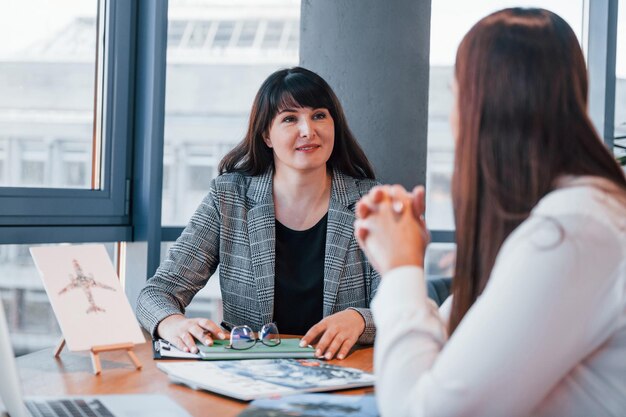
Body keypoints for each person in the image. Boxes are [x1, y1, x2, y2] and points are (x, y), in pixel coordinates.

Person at [355, 8, 626, 417]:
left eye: (456, 95)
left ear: (486, 109)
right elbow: (462, 343)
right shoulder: (575, 214)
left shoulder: (571, 230)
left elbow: (422, 411)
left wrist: (400, 269)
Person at [136, 67, 380, 360]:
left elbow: (404, 306)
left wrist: (359, 319)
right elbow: (156, 293)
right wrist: (173, 323)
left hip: (345, 372)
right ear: (266, 135)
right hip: (250, 373)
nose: (308, 130)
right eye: (290, 119)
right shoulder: (229, 197)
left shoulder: (373, 203)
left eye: (319, 115)